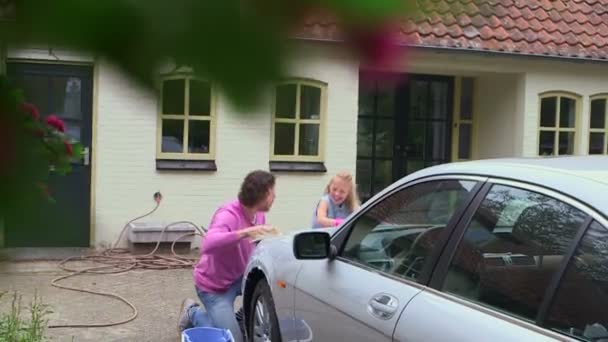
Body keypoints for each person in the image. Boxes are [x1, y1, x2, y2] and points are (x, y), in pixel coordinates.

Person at [177, 170, 276, 342]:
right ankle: (192, 312)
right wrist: (245, 232)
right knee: (231, 339)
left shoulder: (259, 214)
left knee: (271, 288)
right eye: (273, 192)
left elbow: (256, 243)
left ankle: (237, 318)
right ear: (265, 194)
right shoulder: (228, 214)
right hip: (215, 287)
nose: (275, 196)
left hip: (240, 278)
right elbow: (208, 244)